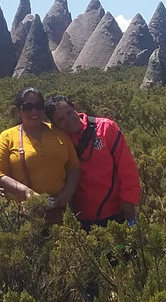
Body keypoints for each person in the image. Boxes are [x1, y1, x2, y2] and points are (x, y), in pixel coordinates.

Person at [44, 94, 141, 231]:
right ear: (55, 125)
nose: (68, 120)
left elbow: (126, 168)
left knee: (124, 250)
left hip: (117, 211)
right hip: (82, 218)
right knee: (95, 252)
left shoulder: (106, 128)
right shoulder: (59, 141)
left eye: (69, 113)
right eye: (61, 120)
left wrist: (129, 200)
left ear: (75, 107)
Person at [0, 86, 80, 225]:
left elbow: (74, 167)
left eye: (39, 106)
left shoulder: (59, 133)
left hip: (62, 212)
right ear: (18, 110)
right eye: (28, 107)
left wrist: (67, 194)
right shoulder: (7, 137)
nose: (34, 111)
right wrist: (28, 194)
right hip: (26, 215)